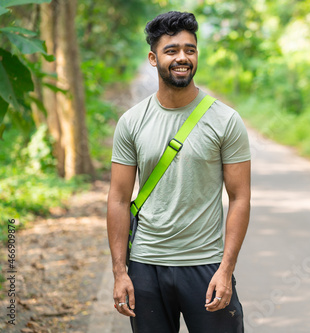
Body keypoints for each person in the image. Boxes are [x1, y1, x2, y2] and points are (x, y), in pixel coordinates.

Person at [106, 11, 251, 333]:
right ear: (153, 58)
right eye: (171, 50)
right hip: (146, 266)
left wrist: (226, 269)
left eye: (190, 49)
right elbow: (117, 198)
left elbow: (240, 197)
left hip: (206, 265)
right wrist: (120, 272)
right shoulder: (132, 122)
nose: (182, 57)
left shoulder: (225, 120)